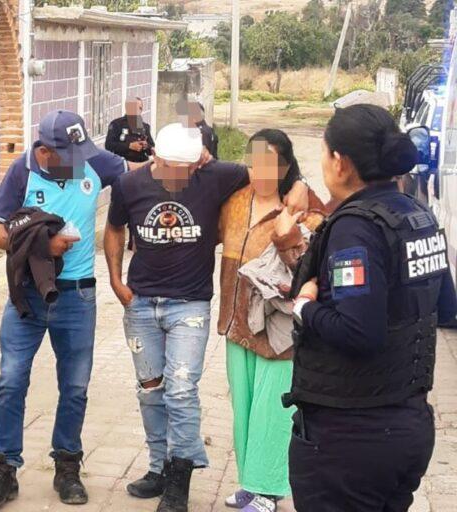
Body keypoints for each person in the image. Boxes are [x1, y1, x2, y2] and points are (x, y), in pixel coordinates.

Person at [104, 123, 310, 512]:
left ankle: (183, 478)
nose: (178, 177)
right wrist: (116, 281)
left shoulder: (220, 178)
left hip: (216, 311)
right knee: (156, 391)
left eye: (186, 169)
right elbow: (115, 228)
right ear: (156, 157)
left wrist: (301, 187)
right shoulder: (135, 185)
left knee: (186, 391)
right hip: (175, 310)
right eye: (171, 168)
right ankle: (163, 468)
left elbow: (282, 179)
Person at [286, 104, 455, 511]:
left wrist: (305, 307)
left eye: (324, 152)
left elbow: (359, 332)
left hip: (351, 438)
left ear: (340, 162)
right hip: (407, 426)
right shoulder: (417, 214)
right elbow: (447, 306)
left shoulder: (355, 228)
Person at [0, 110, 128, 508]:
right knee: (11, 381)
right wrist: (40, 244)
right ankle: (4, 468)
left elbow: (147, 174)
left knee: (75, 387)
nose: (79, 161)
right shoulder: (23, 171)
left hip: (78, 297)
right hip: (27, 296)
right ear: (44, 150)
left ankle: (67, 466)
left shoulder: (95, 161)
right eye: (67, 155)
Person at [217, 130, 325, 512]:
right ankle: (251, 482)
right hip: (236, 324)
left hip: (279, 330)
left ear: (285, 166)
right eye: (255, 162)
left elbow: (315, 266)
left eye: (271, 163)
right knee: (244, 408)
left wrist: (289, 227)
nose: (260, 171)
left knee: (273, 410)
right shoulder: (233, 202)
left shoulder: (305, 209)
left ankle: (269, 488)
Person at [106, 97, 155, 163]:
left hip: (141, 163)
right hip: (122, 163)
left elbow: (151, 149)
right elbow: (109, 145)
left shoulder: (145, 126)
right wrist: (129, 146)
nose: (138, 110)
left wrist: (146, 146)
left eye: (140, 108)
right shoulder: (116, 124)